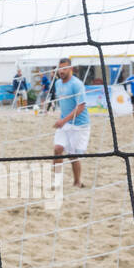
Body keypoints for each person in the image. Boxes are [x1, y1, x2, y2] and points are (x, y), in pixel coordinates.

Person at [51, 57, 90, 188]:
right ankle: (56, 182)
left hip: (80, 125)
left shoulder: (77, 84)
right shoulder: (57, 84)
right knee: (57, 149)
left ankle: (77, 181)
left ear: (70, 69)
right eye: (59, 68)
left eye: (64, 68)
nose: (61, 71)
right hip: (65, 123)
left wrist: (63, 120)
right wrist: (62, 120)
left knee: (73, 156)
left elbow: (81, 107)